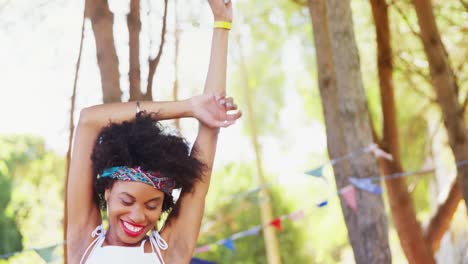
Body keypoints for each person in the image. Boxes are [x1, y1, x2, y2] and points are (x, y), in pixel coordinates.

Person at [66, 1, 240, 263]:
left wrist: (222, 24)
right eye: (126, 201)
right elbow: (89, 119)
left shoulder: (168, 251)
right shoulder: (84, 242)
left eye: (152, 206)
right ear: (108, 192)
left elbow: (211, 123)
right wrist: (188, 107)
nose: (137, 217)